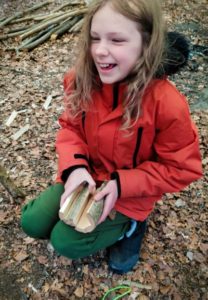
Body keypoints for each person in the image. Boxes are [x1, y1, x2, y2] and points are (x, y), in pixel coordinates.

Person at [21, 0, 202, 274]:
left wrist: (122, 184)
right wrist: (74, 168)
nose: (100, 51)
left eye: (117, 40)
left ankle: (131, 227)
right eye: (95, 38)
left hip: (130, 192)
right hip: (88, 174)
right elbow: (70, 128)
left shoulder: (167, 104)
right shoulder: (80, 79)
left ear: (147, 43)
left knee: (65, 242)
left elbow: (181, 168)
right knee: (32, 222)